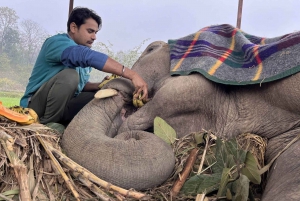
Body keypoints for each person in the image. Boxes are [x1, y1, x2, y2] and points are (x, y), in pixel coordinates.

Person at [20, 7, 148, 125]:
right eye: (90, 31)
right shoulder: (57, 43)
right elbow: (84, 58)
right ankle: (46, 126)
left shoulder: (82, 52)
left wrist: (99, 85)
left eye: (96, 32)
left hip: (64, 104)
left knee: (103, 95)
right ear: (74, 27)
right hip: (36, 107)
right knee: (70, 76)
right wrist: (132, 74)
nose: (94, 37)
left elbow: (79, 86)